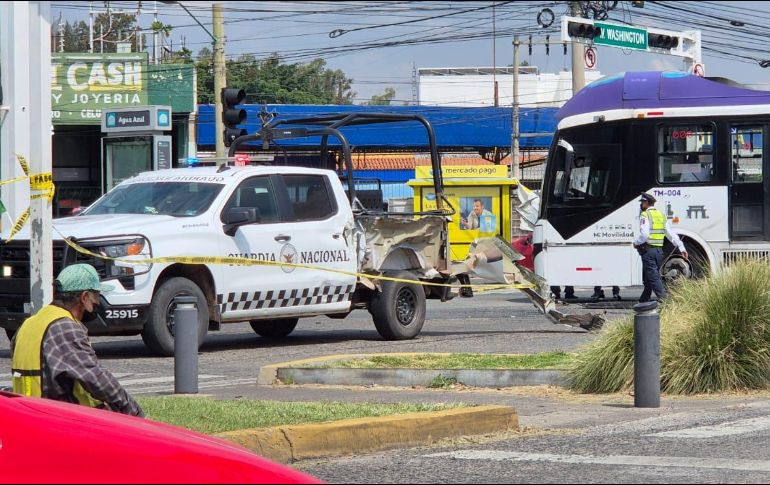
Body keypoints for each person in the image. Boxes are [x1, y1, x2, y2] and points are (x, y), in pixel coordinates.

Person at [11, 264, 144, 417]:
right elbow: (96, 378)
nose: (97, 303)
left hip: (27, 414)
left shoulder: (30, 323)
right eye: (96, 296)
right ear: (84, 297)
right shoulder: (65, 327)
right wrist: (132, 410)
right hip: (55, 420)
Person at [633, 192, 688, 303]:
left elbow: (644, 235)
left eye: (643, 202)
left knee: (653, 277)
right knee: (650, 276)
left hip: (648, 251)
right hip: (659, 252)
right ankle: (644, 299)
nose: (641, 204)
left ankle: (666, 301)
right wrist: (681, 247)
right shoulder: (661, 215)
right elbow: (670, 233)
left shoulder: (645, 215)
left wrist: (636, 242)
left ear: (647, 203)